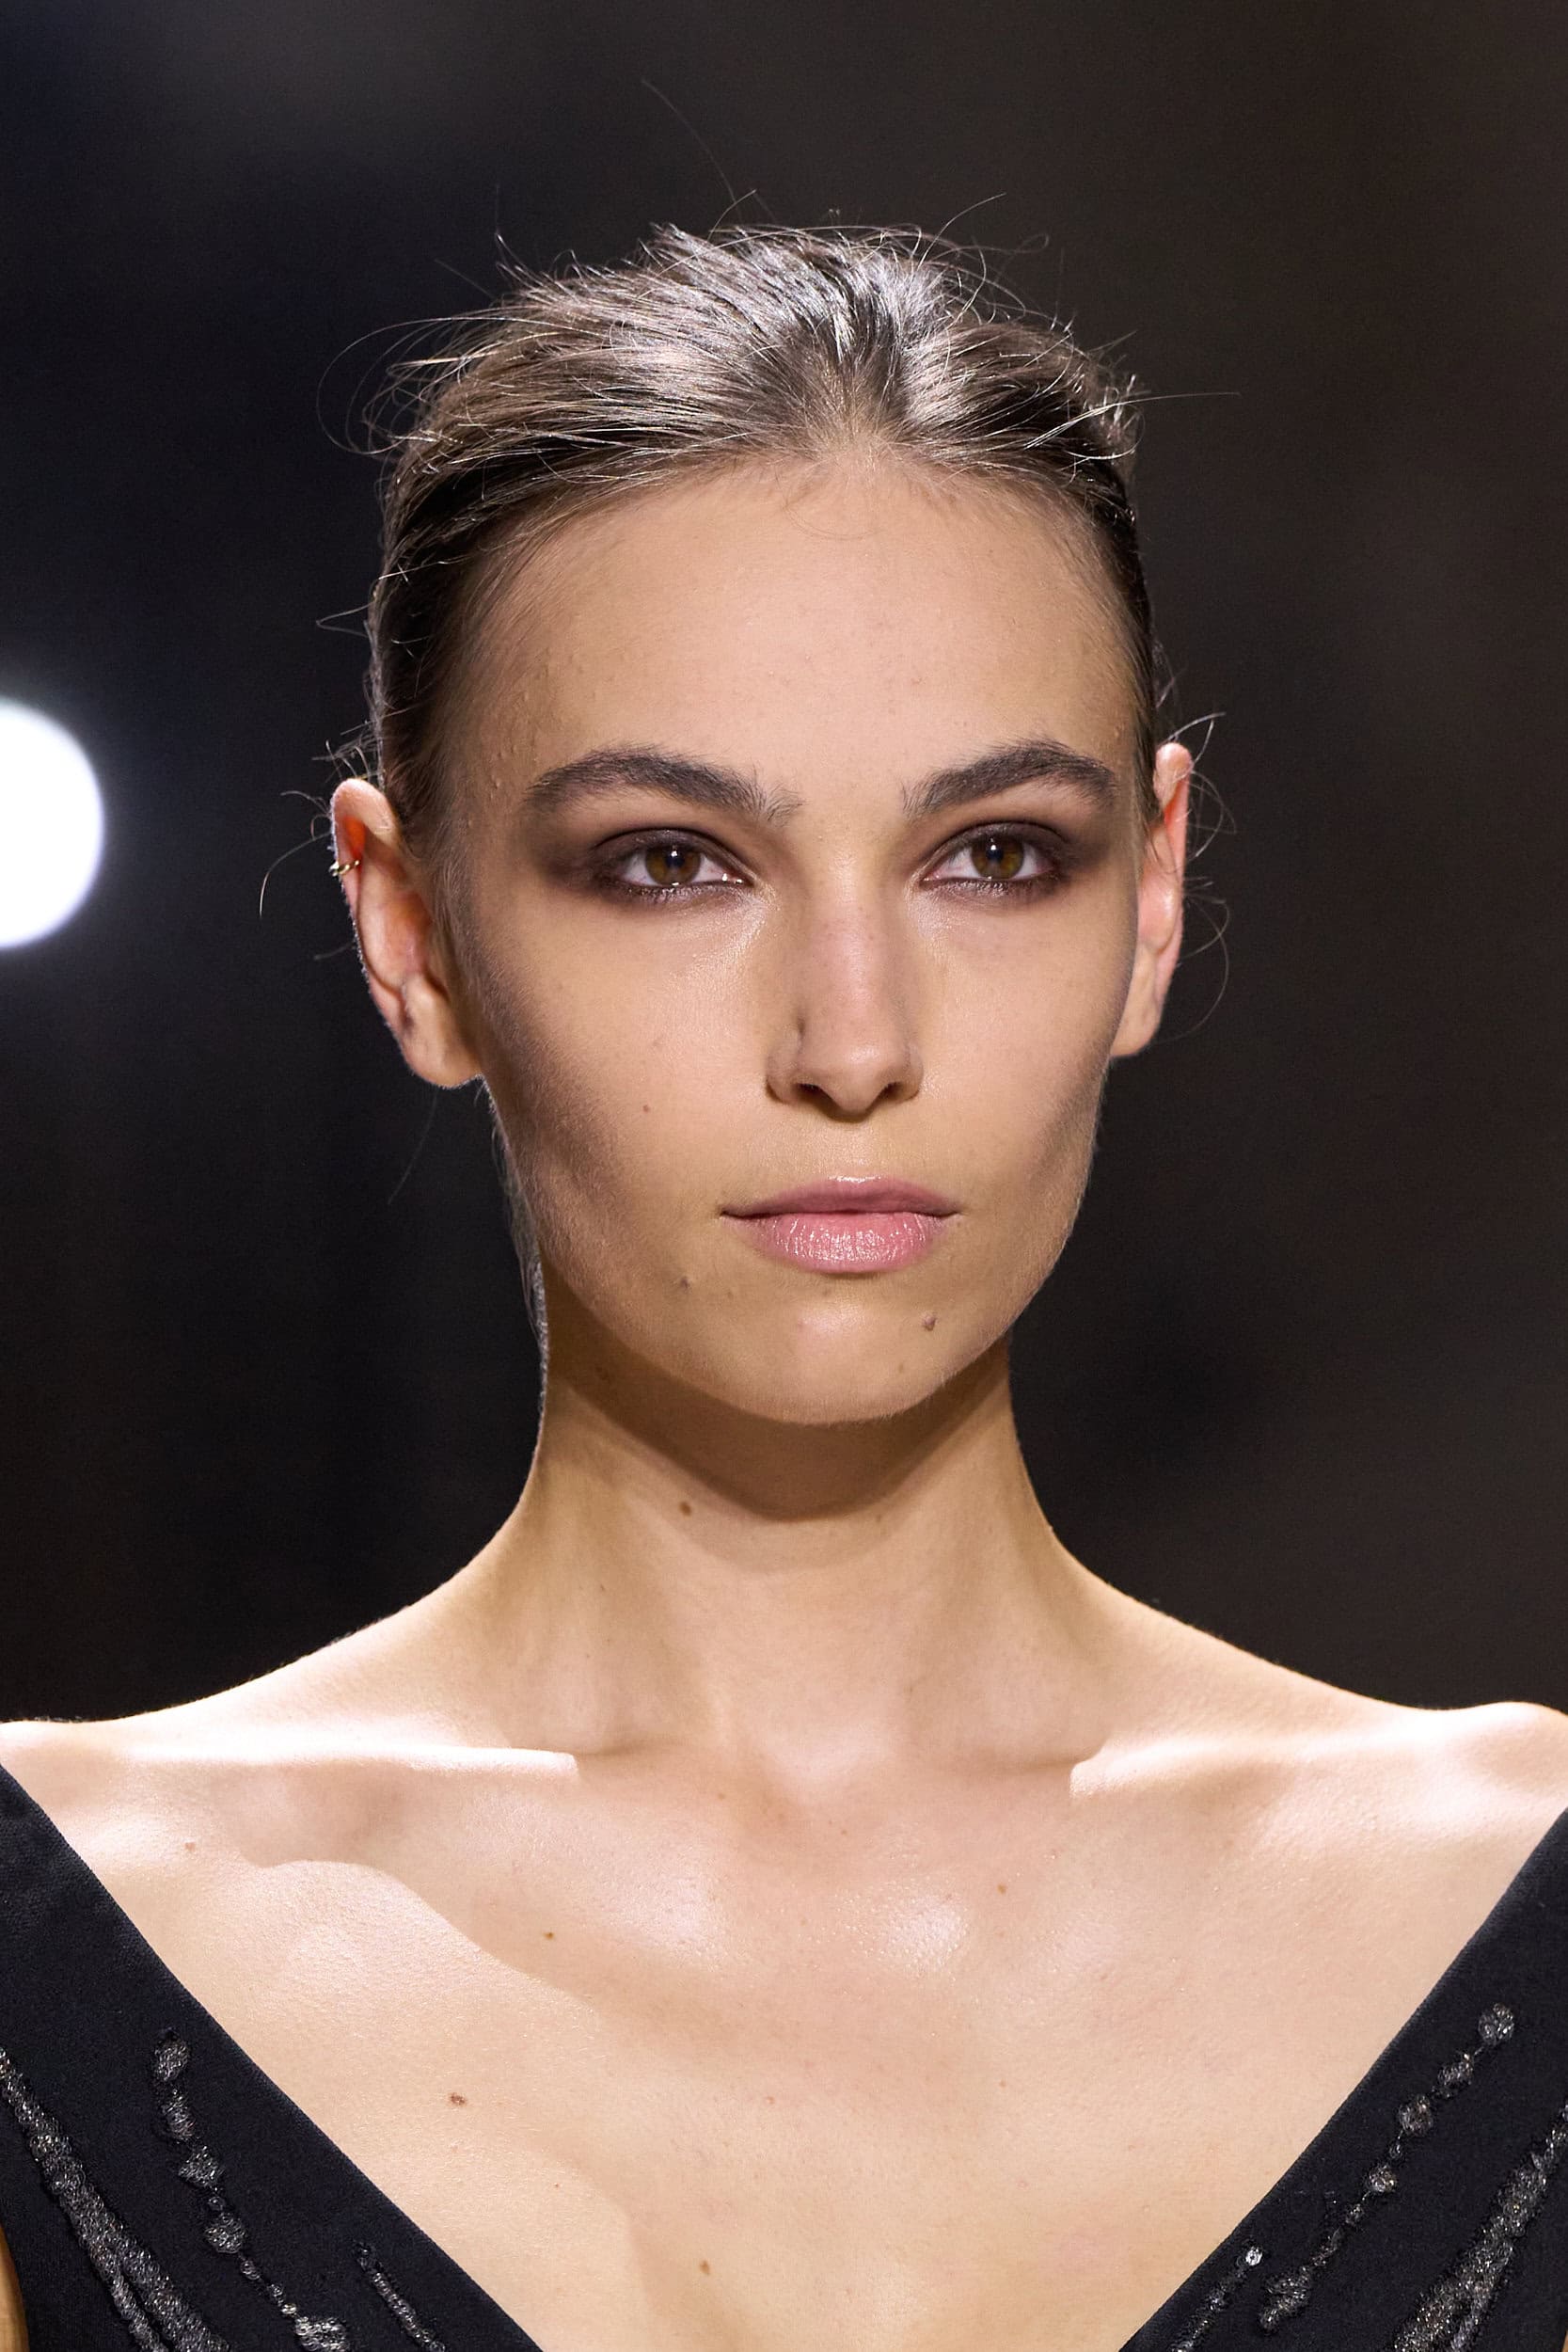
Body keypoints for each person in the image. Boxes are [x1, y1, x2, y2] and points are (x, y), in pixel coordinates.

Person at [1, 223, 1566, 2352]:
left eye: (995, 855)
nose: (853, 1040)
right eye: (671, 861)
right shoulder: (58, 1960)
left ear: (1153, 898)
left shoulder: (1517, 1909)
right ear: (411, 930)